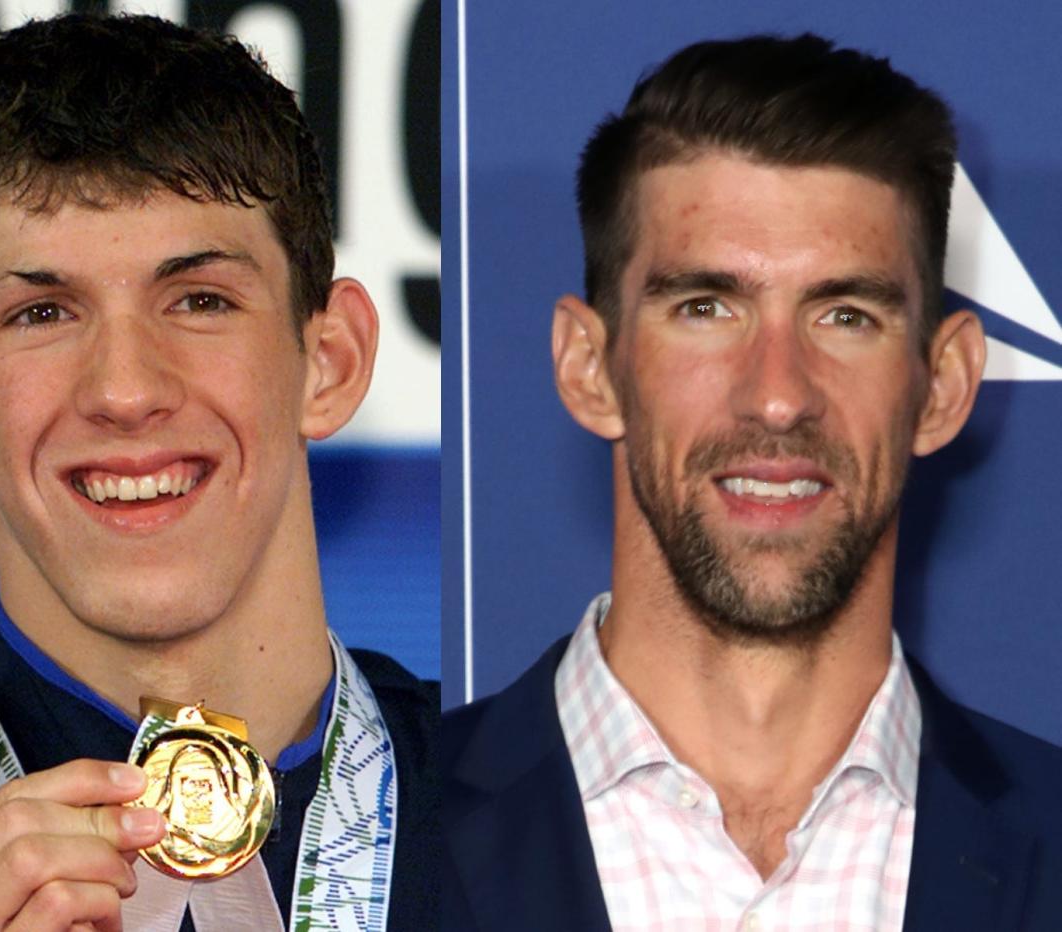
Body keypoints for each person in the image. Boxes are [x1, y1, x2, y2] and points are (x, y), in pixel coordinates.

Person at [0, 13, 436, 931]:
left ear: (333, 360)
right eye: (41, 313)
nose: (124, 390)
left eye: (199, 299)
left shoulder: (567, 815)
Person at [443, 33, 1062, 931]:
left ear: (945, 386)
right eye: (706, 308)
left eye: (846, 315)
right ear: (589, 367)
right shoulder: (373, 849)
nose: (777, 396)